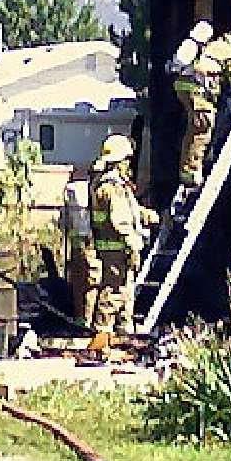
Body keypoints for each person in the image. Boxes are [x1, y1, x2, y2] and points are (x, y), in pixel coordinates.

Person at [90, 134, 159, 335]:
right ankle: (102, 334)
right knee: (114, 292)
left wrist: (148, 216)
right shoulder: (112, 188)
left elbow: (129, 210)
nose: (129, 163)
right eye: (127, 159)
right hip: (118, 249)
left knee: (126, 292)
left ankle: (123, 332)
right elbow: (120, 221)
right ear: (119, 162)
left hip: (114, 249)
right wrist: (134, 245)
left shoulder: (111, 185)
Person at [170, 24, 231, 189]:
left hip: (185, 84)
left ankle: (191, 166)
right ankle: (191, 173)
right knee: (203, 128)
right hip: (197, 89)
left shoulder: (217, 44)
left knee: (194, 127)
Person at [62, 160, 103, 326]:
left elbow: (64, 222)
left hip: (76, 245)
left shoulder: (72, 192)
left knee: (78, 284)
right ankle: (87, 322)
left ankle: (80, 320)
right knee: (91, 282)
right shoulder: (90, 193)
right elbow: (96, 221)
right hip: (89, 243)